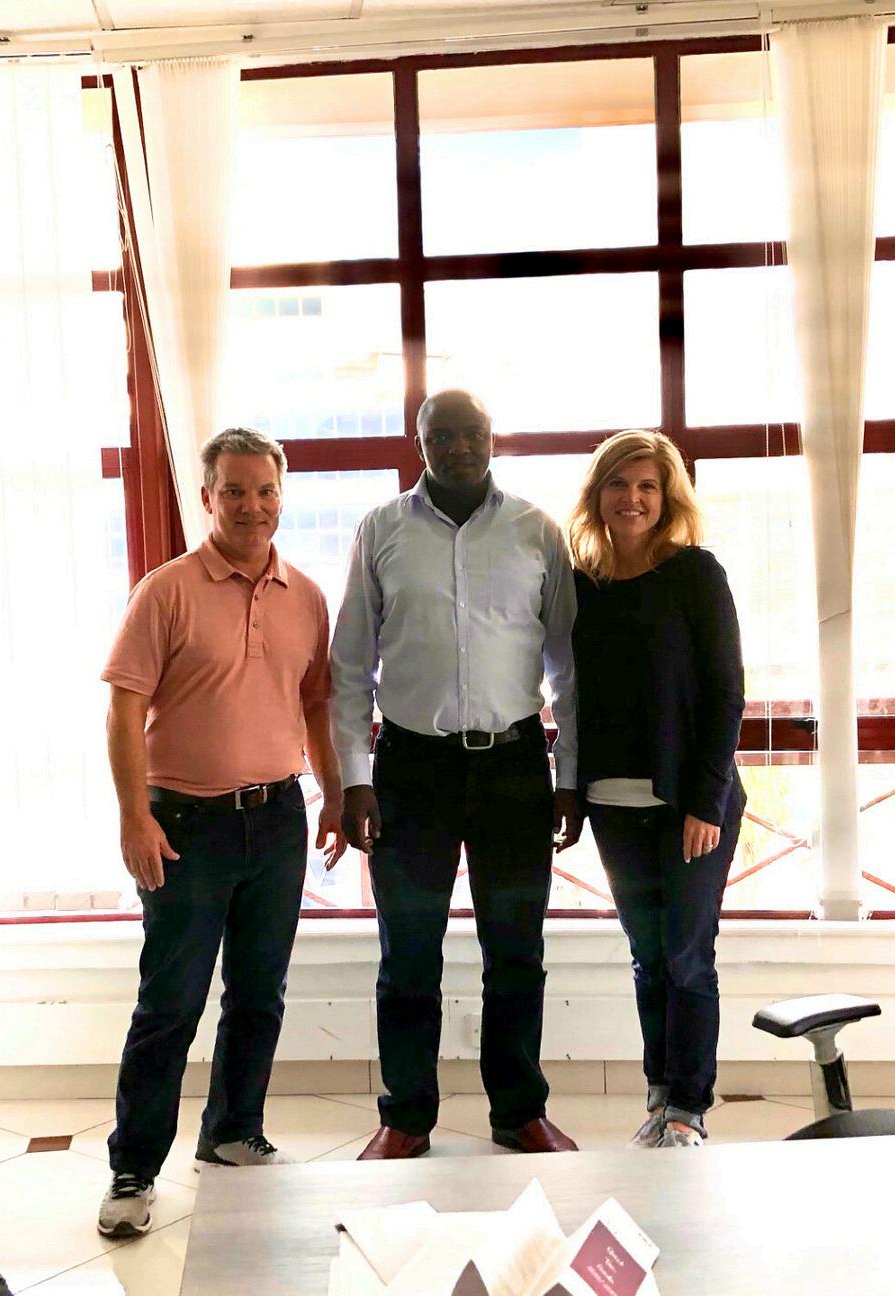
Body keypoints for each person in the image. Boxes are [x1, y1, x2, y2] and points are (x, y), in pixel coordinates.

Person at [96, 427, 346, 1239]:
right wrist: (133, 815)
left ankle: (234, 1133)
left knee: (259, 993)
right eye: (234, 491)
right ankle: (133, 1168)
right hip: (184, 826)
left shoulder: (306, 597)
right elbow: (125, 708)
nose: (251, 506)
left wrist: (333, 794)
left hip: (276, 819)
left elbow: (316, 703)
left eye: (265, 491)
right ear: (207, 497)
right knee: (170, 1002)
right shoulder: (165, 591)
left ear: (282, 496)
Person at [332, 389, 582, 1160]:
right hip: (412, 769)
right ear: (420, 445)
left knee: (517, 951)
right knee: (409, 953)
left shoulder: (536, 530)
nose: (459, 447)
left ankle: (519, 1110)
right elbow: (350, 666)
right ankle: (406, 1116)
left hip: (514, 766)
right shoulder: (381, 530)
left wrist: (568, 775)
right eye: (442, 436)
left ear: (492, 437)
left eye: (472, 433)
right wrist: (354, 776)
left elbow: (569, 667)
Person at [565, 430, 745, 1150]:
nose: (632, 498)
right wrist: (570, 791)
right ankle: (661, 1092)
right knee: (647, 955)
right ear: (598, 495)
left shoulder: (695, 573)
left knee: (687, 956)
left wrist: (706, 801)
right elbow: (569, 694)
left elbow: (727, 692)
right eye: (619, 484)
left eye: (647, 486)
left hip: (690, 805)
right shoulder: (581, 584)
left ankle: (689, 1108)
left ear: (667, 499)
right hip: (613, 803)